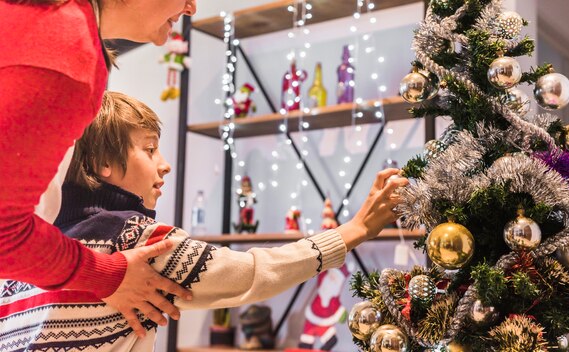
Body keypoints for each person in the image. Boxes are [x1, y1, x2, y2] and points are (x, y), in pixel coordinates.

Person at [0, 91, 408, 351]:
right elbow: (253, 274)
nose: (165, 166)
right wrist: (354, 231)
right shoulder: (134, 242)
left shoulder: (31, 257)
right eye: (150, 149)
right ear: (102, 164)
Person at [0, 0, 198, 337]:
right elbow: (4, 232)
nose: (192, 7)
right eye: (149, 149)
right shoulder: (64, 51)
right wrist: (107, 274)